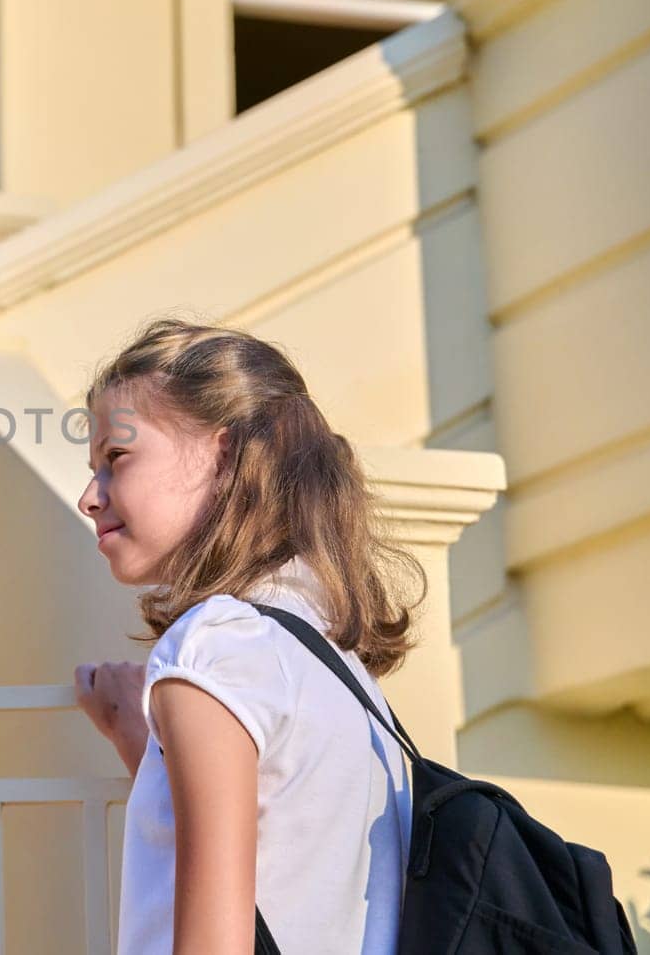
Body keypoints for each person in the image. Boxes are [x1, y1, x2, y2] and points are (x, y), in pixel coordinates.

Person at [72, 318, 423, 954]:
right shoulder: (325, 653)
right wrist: (142, 743)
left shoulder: (215, 649)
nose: (89, 497)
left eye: (115, 458)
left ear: (228, 456)